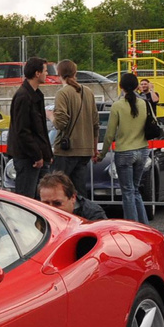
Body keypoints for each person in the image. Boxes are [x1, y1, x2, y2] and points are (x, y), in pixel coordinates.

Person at [101, 72, 151, 225]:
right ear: (137, 86)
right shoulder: (143, 103)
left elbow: (110, 134)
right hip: (142, 150)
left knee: (127, 192)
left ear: (121, 87)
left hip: (124, 151)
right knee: (135, 190)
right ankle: (144, 226)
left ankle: (132, 227)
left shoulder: (117, 106)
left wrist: (102, 154)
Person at [51, 60, 98, 200]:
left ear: (59, 74)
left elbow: (60, 123)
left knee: (58, 189)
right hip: (85, 149)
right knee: (80, 193)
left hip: (66, 150)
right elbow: (95, 122)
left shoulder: (62, 93)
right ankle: (82, 218)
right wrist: (94, 149)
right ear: (75, 73)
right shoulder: (88, 92)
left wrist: (50, 117)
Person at [8, 57, 53, 199]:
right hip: (28, 159)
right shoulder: (23, 97)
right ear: (37, 73)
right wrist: (37, 155)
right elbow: (22, 131)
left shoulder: (35, 95)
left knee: (40, 201)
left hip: (36, 157)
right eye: (45, 71)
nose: (47, 74)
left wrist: (46, 154)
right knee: (26, 200)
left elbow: (40, 129)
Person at [37, 172, 106, 222]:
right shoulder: (34, 213)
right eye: (45, 204)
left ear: (73, 198)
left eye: (57, 203)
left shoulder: (93, 214)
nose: (51, 209)